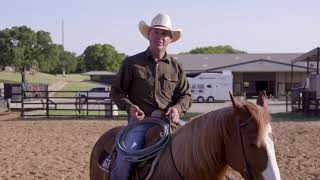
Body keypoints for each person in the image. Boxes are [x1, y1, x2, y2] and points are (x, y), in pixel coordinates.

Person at [110, 13, 192, 180]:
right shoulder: (131, 63)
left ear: (170, 39)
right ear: (149, 34)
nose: (160, 37)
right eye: (156, 32)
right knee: (125, 159)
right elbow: (117, 92)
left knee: (196, 149)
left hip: (169, 122)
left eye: (164, 34)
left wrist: (177, 109)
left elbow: (186, 95)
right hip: (141, 123)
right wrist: (130, 107)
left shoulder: (176, 66)